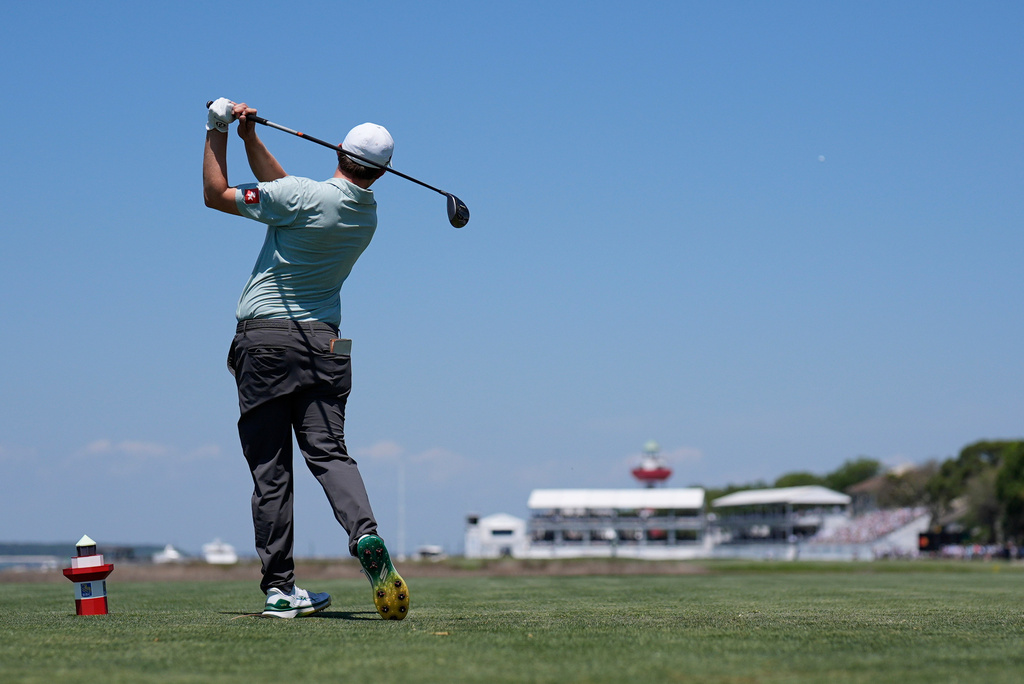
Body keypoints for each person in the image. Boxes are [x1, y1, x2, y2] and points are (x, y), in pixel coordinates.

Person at [202, 98, 409, 620]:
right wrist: (252, 140)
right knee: (330, 452)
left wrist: (217, 129)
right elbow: (290, 193)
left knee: (272, 470)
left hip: (266, 344)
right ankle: (366, 536)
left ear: (339, 149)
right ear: (381, 173)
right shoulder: (367, 215)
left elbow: (216, 195)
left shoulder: (302, 197)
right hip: (327, 346)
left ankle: (280, 589)